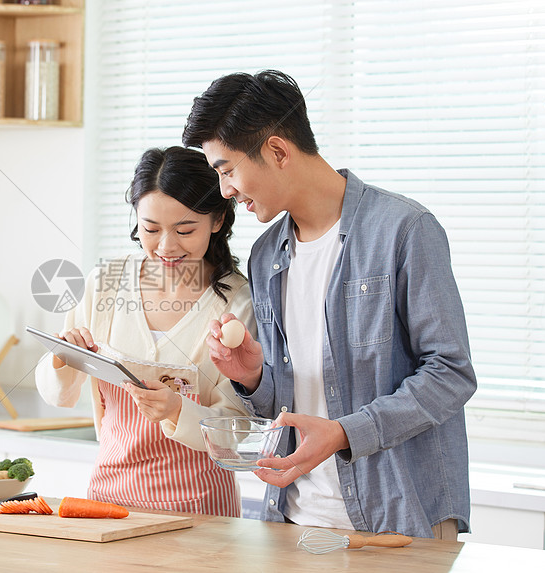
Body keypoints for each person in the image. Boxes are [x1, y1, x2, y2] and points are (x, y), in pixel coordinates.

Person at [183, 70, 477, 539]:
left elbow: (451, 373)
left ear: (278, 151)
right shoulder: (265, 257)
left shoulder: (404, 230)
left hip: (399, 522)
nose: (225, 192)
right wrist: (253, 377)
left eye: (227, 170)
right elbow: (291, 406)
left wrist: (344, 433)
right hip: (294, 518)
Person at [35, 146, 256, 517]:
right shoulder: (106, 282)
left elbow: (239, 424)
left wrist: (178, 409)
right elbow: (58, 393)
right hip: (109, 497)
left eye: (185, 230)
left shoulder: (237, 303)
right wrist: (62, 357)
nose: (167, 247)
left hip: (199, 509)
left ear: (217, 220)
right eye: (150, 229)